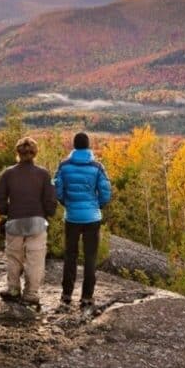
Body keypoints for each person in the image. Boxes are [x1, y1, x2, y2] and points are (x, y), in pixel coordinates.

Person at [0, 137, 56, 307]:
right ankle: (31, 293)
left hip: (15, 221)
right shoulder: (43, 174)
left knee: (14, 257)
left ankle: (13, 289)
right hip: (37, 221)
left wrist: (6, 211)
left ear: (18, 153)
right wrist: (47, 213)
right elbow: (50, 199)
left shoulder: (8, 173)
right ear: (35, 153)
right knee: (35, 259)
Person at [54, 132, 112, 309]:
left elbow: (58, 189)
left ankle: (66, 294)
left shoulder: (64, 166)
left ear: (74, 146)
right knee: (90, 257)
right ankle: (87, 296)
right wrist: (97, 206)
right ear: (88, 146)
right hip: (92, 218)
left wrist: (67, 204)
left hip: (71, 217)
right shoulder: (97, 166)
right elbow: (106, 192)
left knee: (70, 255)